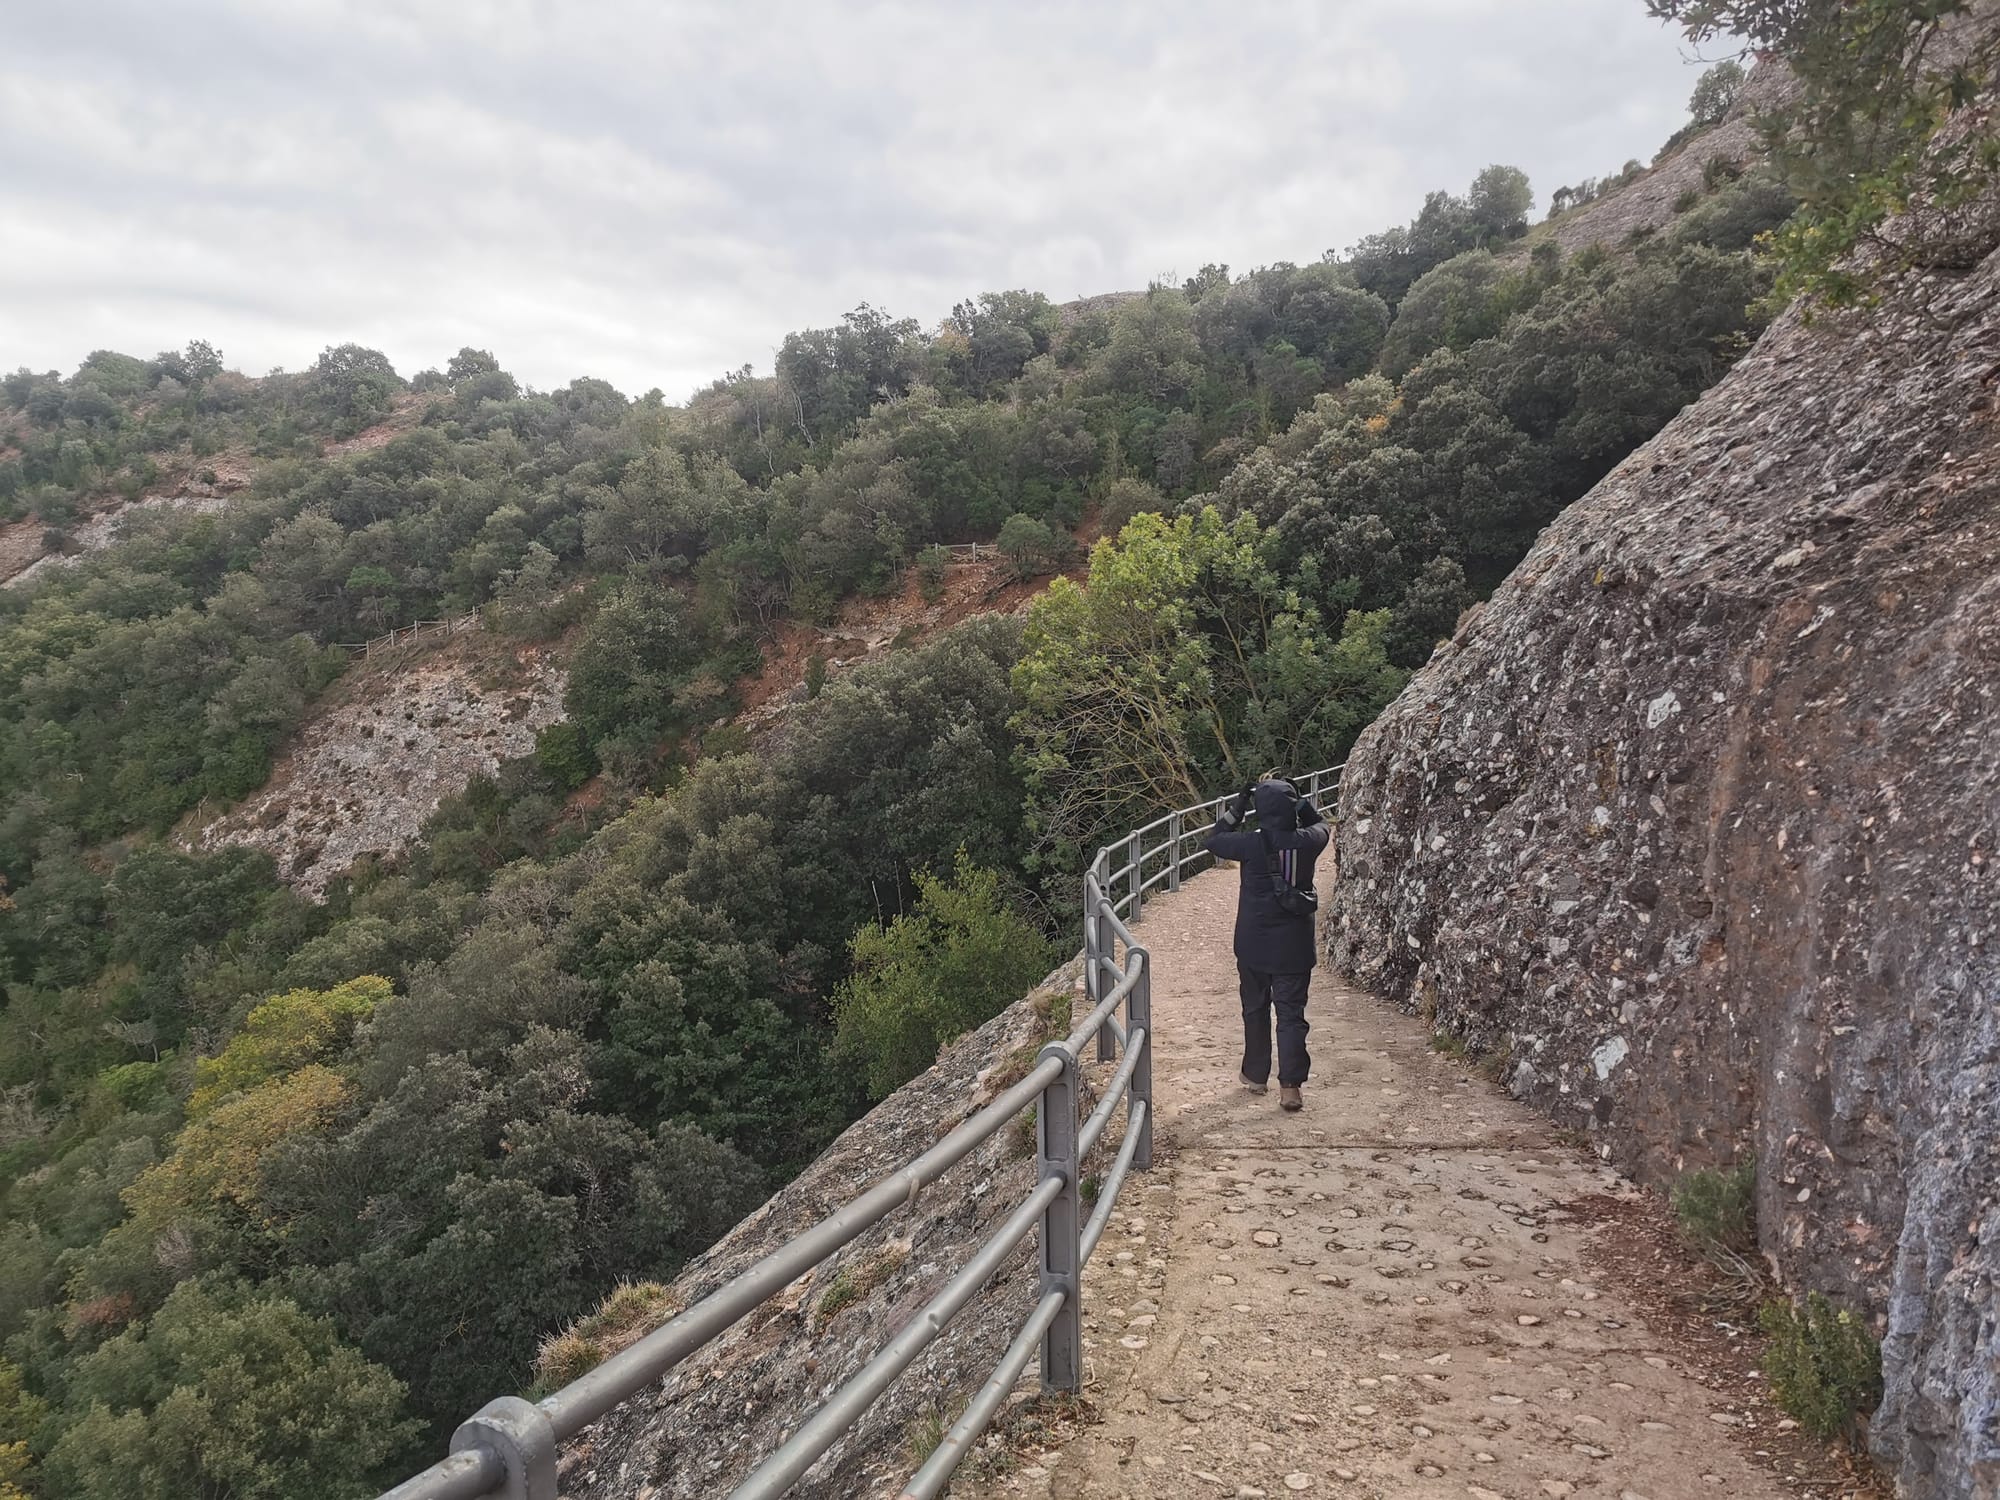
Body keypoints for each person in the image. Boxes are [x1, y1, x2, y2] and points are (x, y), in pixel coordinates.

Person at [1204, 776, 1331, 1112]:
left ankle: (1256, 1074)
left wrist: (1239, 806)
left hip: (1253, 945)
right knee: (1291, 1016)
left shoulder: (1248, 844)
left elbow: (1214, 840)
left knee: (1255, 1008)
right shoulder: (1307, 842)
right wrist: (1300, 802)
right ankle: (1290, 1088)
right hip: (1294, 948)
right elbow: (1322, 824)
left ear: (1260, 810)